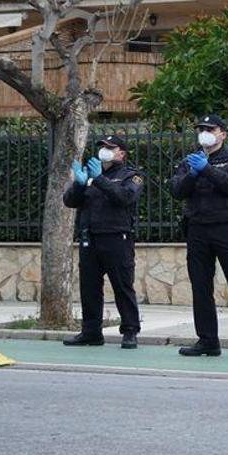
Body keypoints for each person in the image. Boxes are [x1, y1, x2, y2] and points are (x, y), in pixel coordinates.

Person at [171, 114, 228, 360]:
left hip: (227, 228)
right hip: (197, 228)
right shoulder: (189, 161)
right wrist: (193, 173)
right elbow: (176, 190)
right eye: (200, 129)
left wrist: (208, 170)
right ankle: (207, 341)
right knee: (201, 287)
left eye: (209, 128)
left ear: (223, 133)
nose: (204, 132)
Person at [62, 135, 144, 349]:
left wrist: (99, 179)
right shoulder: (90, 174)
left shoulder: (131, 176)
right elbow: (70, 201)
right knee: (89, 288)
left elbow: (124, 198)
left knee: (122, 286)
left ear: (121, 153)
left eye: (110, 147)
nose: (104, 150)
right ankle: (91, 332)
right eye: (102, 147)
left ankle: (130, 331)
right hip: (90, 238)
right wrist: (80, 184)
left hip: (117, 238)